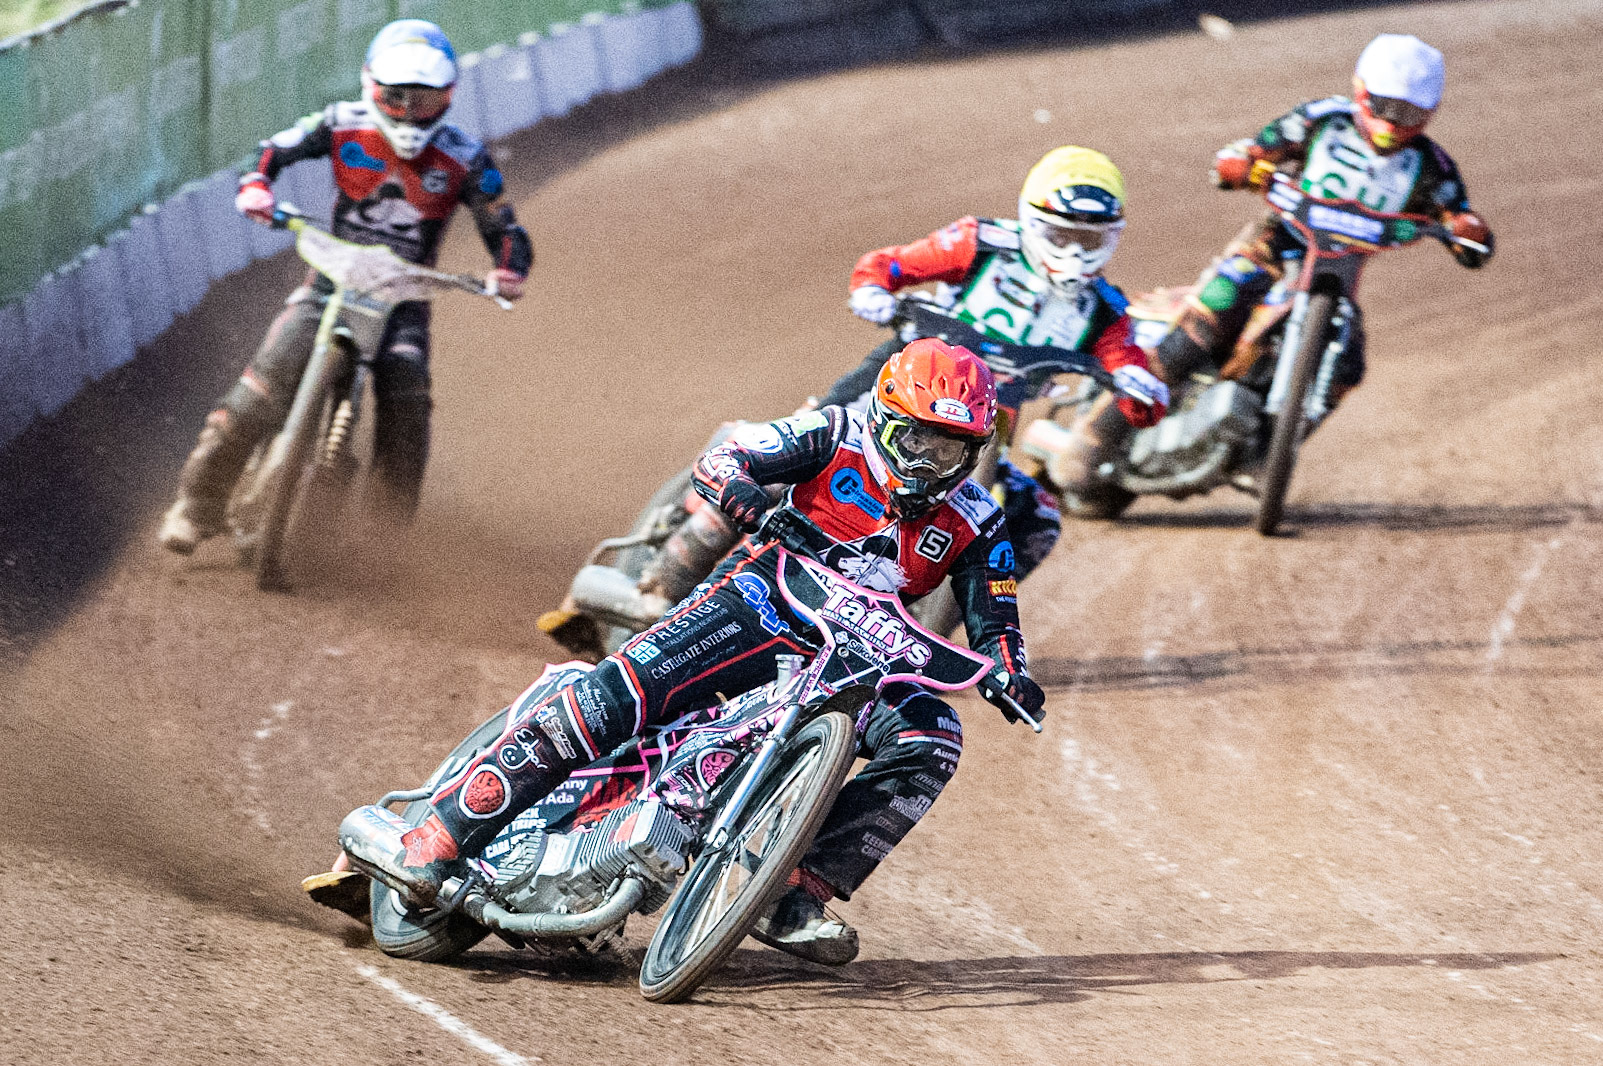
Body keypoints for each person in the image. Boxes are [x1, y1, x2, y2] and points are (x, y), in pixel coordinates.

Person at [350, 339, 1048, 965]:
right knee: (609, 700)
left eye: (950, 449)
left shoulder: (977, 521)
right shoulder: (834, 432)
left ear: (976, 449)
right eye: (918, 440)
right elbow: (723, 460)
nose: (931, 461)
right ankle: (439, 835)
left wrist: (1010, 670)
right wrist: (754, 506)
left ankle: (795, 893)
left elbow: (996, 610)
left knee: (934, 735)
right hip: (755, 603)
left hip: (855, 662)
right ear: (887, 420)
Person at [536, 146, 1168, 659]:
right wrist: (874, 289)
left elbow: (1130, 364)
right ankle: (661, 583)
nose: (1075, 252)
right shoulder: (980, 244)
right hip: (894, 388)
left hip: (980, 425)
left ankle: (937, 637)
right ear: (1032, 220)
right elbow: (888, 265)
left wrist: (1140, 388)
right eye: (1063, 233)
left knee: (1032, 520)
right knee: (794, 453)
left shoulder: (1103, 309)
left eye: (1092, 240)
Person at [1050, 34, 1494, 511]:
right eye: (1384, 105)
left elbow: (1459, 217)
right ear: (1360, 89)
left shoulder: (1431, 166)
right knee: (1218, 304)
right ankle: (1098, 433)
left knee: (1349, 362)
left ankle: (1268, 451)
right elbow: (1260, 148)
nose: (1391, 122)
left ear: (1429, 114)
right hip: (1277, 242)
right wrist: (1244, 161)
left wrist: (1466, 230)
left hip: (1337, 273)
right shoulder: (1323, 119)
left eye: (1407, 114)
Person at [158, 19, 532, 553]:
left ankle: (385, 539)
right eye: (396, 98)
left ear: (447, 99)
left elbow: (505, 226)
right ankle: (196, 505)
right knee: (260, 388)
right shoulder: (340, 124)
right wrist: (256, 186)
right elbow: (271, 150)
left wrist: (508, 270)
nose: (406, 114)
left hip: (405, 296)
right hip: (329, 280)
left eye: (422, 102)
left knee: (407, 399)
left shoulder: (466, 159)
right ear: (370, 86)